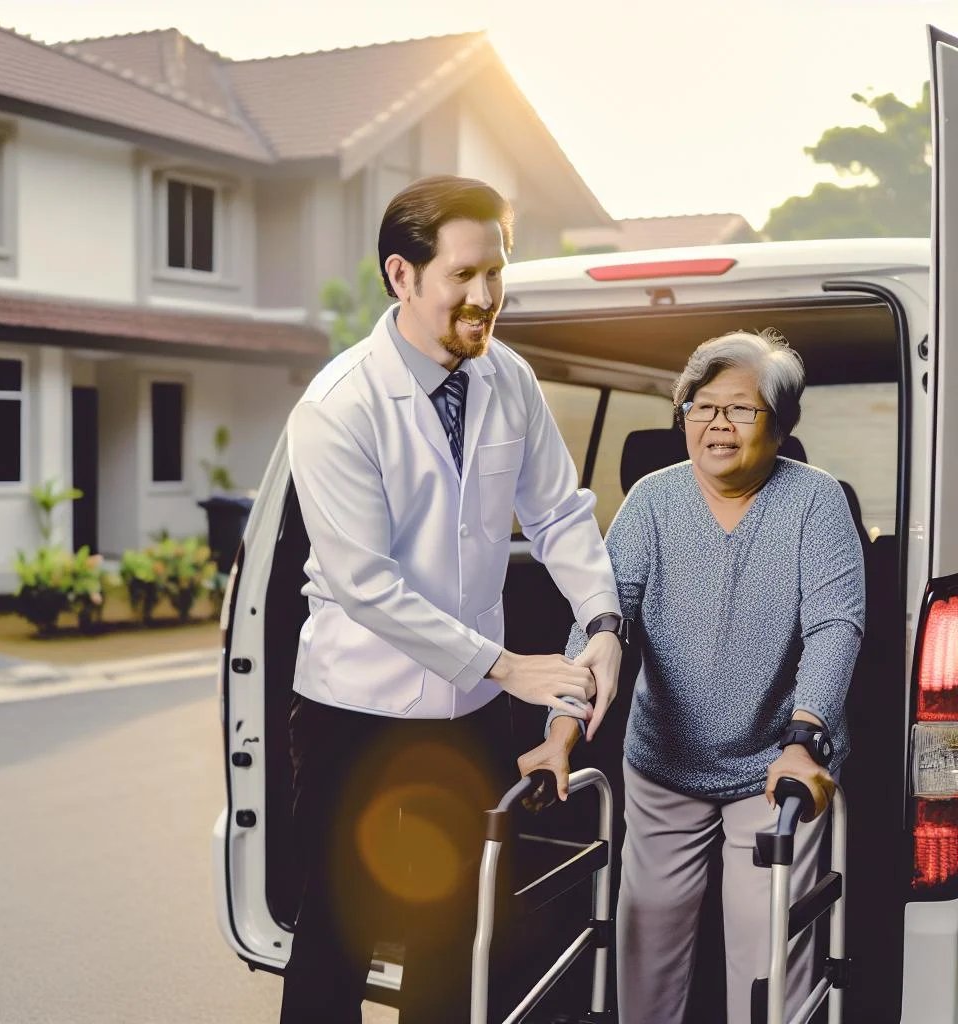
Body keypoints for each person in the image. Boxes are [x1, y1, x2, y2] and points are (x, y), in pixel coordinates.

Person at [280, 175, 625, 1024]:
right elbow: (365, 585)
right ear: (402, 276)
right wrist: (512, 668)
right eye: (464, 276)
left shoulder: (508, 378)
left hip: (467, 713)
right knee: (336, 938)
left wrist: (604, 622)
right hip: (354, 713)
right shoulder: (338, 406)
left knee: (458, 933)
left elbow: (559, 514)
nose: (486, 297)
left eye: (496, 275)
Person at [518, 329, 865, 1024]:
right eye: (700, 407)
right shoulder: (653, 501)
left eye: (740, 409)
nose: (716, 425)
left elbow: (836, 626)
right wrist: (561, 729)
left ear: (780, 422)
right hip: (663, 765)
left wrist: (805, 738)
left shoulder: (815, 502)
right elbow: (600, 622)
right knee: (646, 944)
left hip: (776, 767)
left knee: (769, 954)